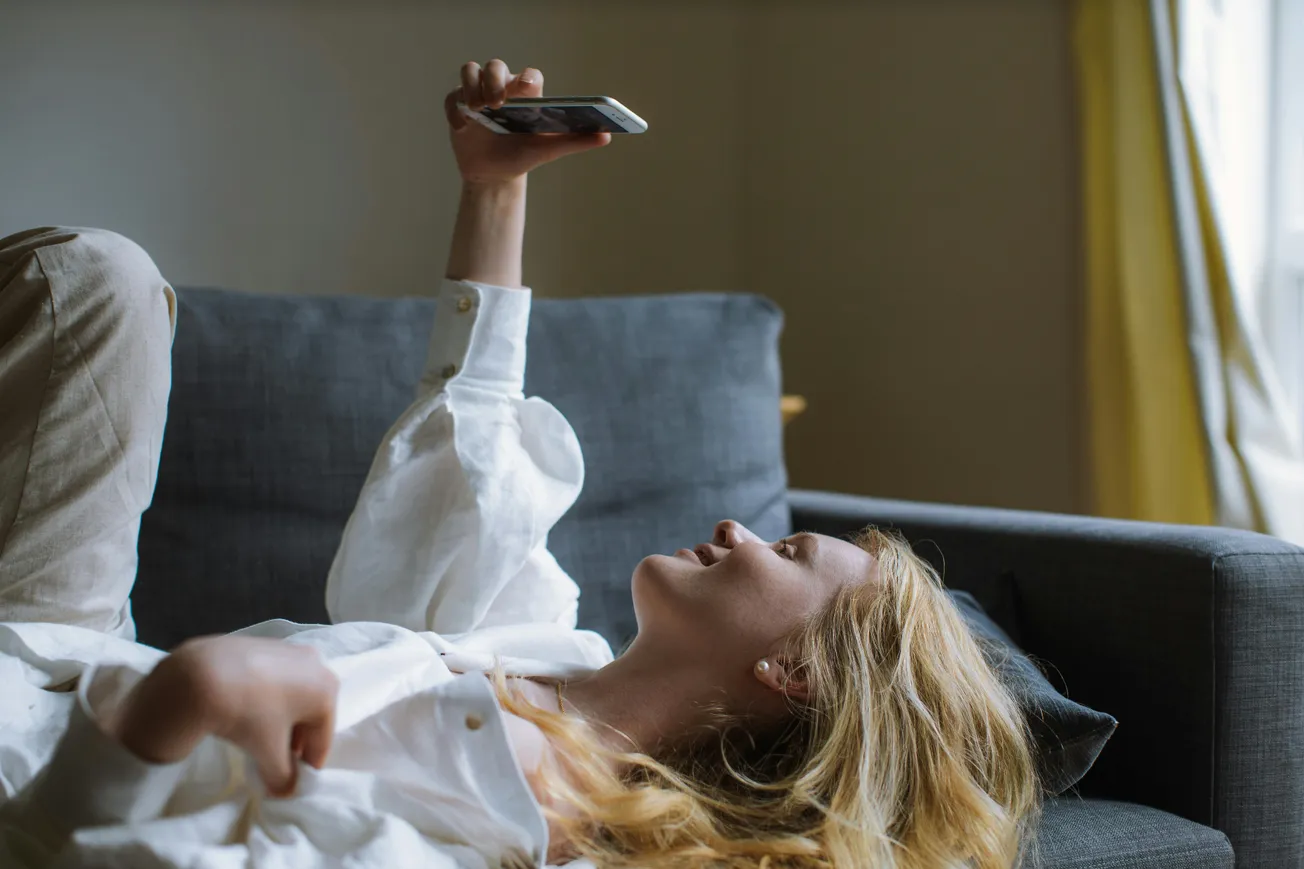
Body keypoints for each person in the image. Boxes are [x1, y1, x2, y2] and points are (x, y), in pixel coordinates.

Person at [0, 59, 1038, 868]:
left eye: (788, 550)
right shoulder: (548, 642)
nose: (738, 528)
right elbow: (472, 450)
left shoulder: (535, 820)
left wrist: (180, 701)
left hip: (32, 770)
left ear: (796, 671)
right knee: (91, 278)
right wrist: (493, 191)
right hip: (58, 647)